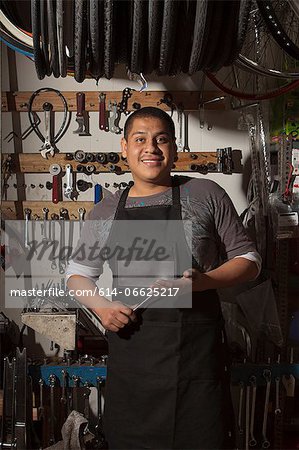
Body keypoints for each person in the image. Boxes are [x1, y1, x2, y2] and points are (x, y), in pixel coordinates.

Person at [66, 107, 261, 449]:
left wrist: (203, 282)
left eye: (161, 139)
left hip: (196, 365)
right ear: (124, 147)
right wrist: (101, 307)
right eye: (140, 139)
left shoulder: (205, 194)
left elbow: (250, 260)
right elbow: (77, 274)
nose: (151, 148)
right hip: (134, 361)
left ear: (173, 147)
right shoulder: (106, 210)